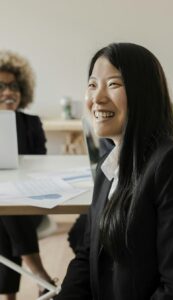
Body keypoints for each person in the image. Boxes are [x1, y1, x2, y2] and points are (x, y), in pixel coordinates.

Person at [56, 42, 173, 300]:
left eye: (113, 84)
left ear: (144, 92)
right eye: (92, 85)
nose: (97, 98)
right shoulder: (107, 166)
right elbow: (87, 256)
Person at [0, 50, 54, 299]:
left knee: (8, 207)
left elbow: (40, 167)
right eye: (0, 86)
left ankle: (11, 295)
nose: (8, 92)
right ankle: (41, 277)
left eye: (13, 86)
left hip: (29, 204)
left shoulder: (31, 124)